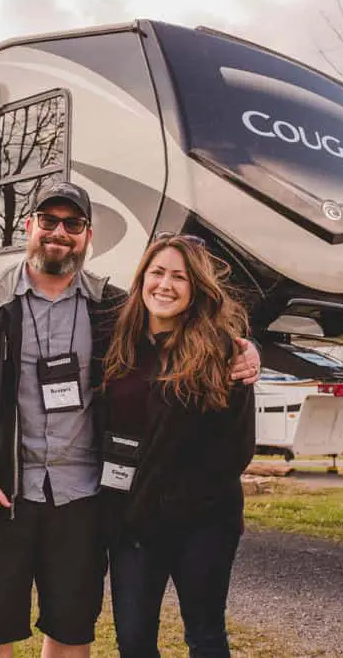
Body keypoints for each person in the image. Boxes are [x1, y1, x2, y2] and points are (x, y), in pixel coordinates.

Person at [0, 182, 261, 658]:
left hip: (83, 500)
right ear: (29, 227)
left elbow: (184, 330)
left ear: (88, 236)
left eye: (73, 224)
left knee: (70, 634)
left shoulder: (113, 308)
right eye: (48, 221)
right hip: (2, 495)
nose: (59, 233)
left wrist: (246, 350)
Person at [99, 233, 257, 658]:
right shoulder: (117, 340)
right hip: (131, 523)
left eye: (179, 277)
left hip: (202, 523)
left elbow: (236, 450)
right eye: (157, 273)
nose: (165, 285)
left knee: (204, 637)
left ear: (197, 288)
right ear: (142, 279)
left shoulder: (224, 352)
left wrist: (170, 502)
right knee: (133, 641)